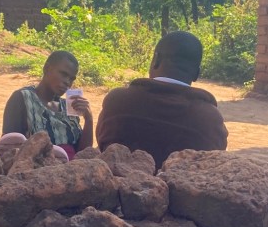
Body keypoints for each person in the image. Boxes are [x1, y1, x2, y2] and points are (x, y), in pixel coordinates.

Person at [96, 31, 227, 169]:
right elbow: (214, 164)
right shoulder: (210, 119)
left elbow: (103, 146)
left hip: (118, 182)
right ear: (196, 74)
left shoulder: (117, 101)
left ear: (156, 60)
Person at [1, 50, 93, 160]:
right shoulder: (22, 98)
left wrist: (88, 119)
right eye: (64, 74)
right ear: (47, 68)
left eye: (71, 79)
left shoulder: (68, 106)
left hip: (71, 168)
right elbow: (10, 147)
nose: (67, 82)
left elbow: (84, 154)